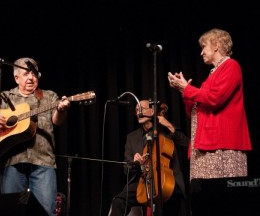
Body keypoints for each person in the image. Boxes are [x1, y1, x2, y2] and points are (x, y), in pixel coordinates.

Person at [0, 57, 71, 216]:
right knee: (11, 211)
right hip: (12, 162)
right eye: (26, 74)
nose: (31, 78)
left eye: (34, 75)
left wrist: (62, 109)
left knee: (46, 212)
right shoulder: (4, 97)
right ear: (17, 78)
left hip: (43, 162)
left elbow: (57, 121)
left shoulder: (49, 96)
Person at [167, 28, 252, 182]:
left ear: (216, 45)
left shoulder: (231, 66)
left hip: (222, 145)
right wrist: (183, 90)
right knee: (205, 198)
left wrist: (187, 89)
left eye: (204, 47)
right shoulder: (213, 74)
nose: (201, 53)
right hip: (205, 145)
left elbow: (215, 99)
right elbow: (194, 111)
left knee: (221, 195)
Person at [108, 99, 190, 216]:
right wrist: (135, 163)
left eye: (142, 109)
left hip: (166, 182)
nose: (138, 112)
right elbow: (126, 168)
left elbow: (187, 145)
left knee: (168, 202)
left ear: (152, 111)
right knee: (118, 201)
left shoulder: (165, 133)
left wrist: (167, 124)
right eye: (136, 110)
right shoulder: (131, 137)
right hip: (141, 182)